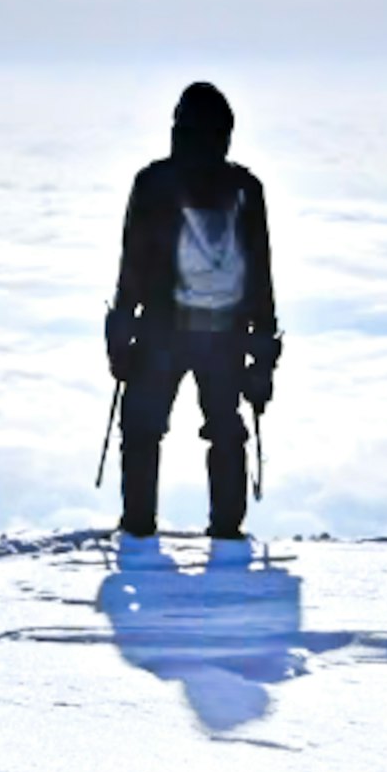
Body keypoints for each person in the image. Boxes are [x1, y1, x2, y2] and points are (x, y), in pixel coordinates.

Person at [104, 79, 282, 546]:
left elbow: (133, 262)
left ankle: (138, 528)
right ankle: (226, 532)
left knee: (142, 428)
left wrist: (121, 330)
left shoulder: (152, 182)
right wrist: (261, 355)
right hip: (225, 335)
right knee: (225, 428)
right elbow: (259, 272)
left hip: (161, 329)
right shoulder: (246, 188)